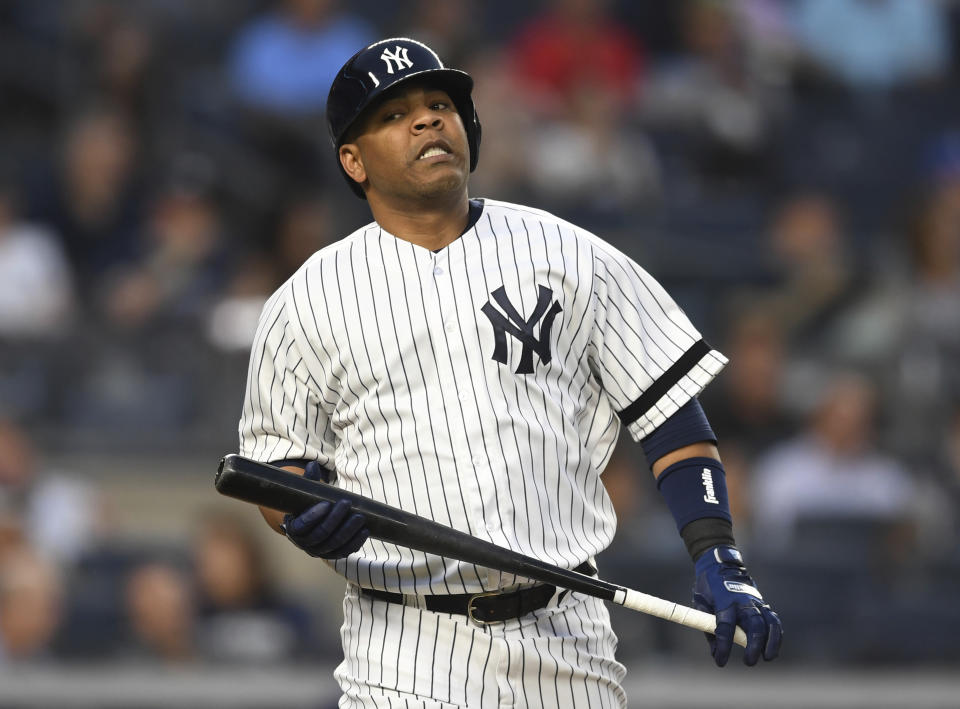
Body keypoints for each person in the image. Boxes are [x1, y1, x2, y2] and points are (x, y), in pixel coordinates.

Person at [238, 38, 782, 707]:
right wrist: (299, 513)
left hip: (566, 643)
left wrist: (717, 552)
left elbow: (670, 413)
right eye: (394, 114)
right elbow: (275, 469)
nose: (428, 120)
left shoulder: (572, 255)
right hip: (402, 650)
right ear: (353, 160)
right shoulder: (305, 300)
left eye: (440, 104)